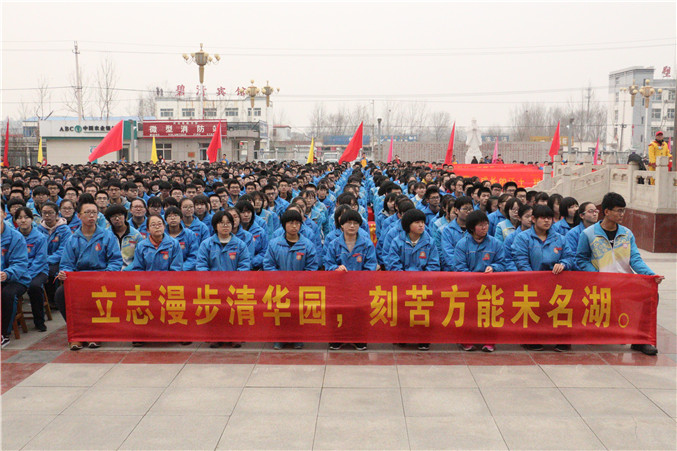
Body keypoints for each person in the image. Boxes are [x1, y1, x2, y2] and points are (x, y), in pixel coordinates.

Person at [576, 192, 664, 355]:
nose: (621, 214)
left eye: (623, 211)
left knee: (651, 296)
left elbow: (635, 259)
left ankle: (641, 340)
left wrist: (651, 275)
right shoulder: (588, 234)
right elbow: (580, 259)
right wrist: (596, 274)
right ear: (607, 211)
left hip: (625, 283)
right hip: (600, 285)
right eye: (618, 210)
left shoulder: (627, 234)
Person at [56, 195, 123, 351]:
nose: (92, 216)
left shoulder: (107, 236)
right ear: (79, 216)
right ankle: (78, 333)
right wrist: (65, 273)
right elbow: (66, 264)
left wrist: (105, 275)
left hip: (101, 278)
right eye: (87, 212)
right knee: (60, 294)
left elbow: (115, 261)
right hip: (79, 280)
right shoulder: (73, 239)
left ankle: (95, 333)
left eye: (94, 212)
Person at [512, 205, 572, 352]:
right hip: (532, 283)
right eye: (543, 218)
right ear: (533, 219)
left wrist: (563, 264)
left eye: (549, 218)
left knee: (559, 310)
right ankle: (532, 338)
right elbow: (521, 262)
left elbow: (570, 257)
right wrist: (535, 279)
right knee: (533, 310)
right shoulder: (523, 238)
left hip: (556, 283)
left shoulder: (560, 239)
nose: (547, 221)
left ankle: (560, 339)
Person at [384, 208, 440, 351]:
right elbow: (393, 264)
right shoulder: (397, 242)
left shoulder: (429, 242)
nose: (421, 225)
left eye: (422, 222)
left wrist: (422, 278)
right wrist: (405, 278)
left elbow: (433, 265)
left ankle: (423, 338)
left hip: (423, 284)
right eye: (417, 222)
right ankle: (403, 336)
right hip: (403, 284)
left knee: (422, 311)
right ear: (408, 225)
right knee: (403, 311)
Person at [263, 209, 319, 350]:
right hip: (279, 287)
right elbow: (268, 265)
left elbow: (312, 266)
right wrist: (280, 279)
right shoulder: (274, 244)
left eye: (297, 223)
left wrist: (300, 280)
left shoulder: (307, 244)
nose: (294, 226)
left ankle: (297, 337)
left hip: (300, 287)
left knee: (298, 312)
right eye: (291, 223)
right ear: (284, 225)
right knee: (280, 312)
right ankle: (279, 338)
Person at [453, 210, 505, 352]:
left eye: (486, 224)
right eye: (480, 225)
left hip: (490, 286)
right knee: (469, 313)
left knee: (489, 313)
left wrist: (493, 268)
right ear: (471, 228)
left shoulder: (496, 243)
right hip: (469, 286)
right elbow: (459, 267)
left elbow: (503, 263)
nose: (484, 228)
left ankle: (489, 340)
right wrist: (473, 278)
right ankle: (466, 339)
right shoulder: (462, 245)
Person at [324, 209, 377, 351]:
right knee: (338, 312)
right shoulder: (334, 244)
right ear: (341, 225)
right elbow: (328, 264)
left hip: (360, 286)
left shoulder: (366, 244)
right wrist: (336, 268)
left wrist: (361, 278)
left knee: (359, 312)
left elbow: (371, 265)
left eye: (355, 223)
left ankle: (359, 338)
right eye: (349, 223)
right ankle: (336, 338)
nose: (352, 226)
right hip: (339, 285)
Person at [14, 207, 49, 332]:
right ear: (15, 220)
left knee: (34, 286)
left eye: (26, 217)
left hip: (38, 271)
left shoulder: (40, 237)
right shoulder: (13, 237)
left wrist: (27, 275)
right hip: (18, 271)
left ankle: (39, 320)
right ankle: (14, 320)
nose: (23, 220)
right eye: (19, 218)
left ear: (32, 219)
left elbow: (40, 260)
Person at [1, 204, 30, 347]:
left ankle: (3, 333)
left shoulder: (15, 237)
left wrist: (7, 274)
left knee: (6, 294)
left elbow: (20, 264)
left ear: (4, 215)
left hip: (16, 279)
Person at [37, 202, 71, 308]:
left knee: (50, 271)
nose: (47, 216)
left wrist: (48, 259)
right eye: (44, 213)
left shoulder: (65, 230)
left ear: (57, 214)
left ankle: (53, 300)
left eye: (50, 213)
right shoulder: (38, 230)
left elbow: (64, 250)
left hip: (59, 260)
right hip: (42, 260)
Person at [562, 202, 599, 271]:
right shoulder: (572, 234)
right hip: (581, 273)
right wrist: (590, 271)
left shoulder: (601, 231)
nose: (594, 214)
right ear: (582, 215)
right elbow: (572, 258)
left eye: (596, 211)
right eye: (591, 211)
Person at [105, 204, 143, 270]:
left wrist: (127, 270)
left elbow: (139, 257)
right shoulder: (105, 235)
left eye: (120, 215)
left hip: (131, 271)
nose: (117, 218)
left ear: (125, 217)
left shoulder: (136, 235)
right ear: (109, 219)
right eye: (113, 216)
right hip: (110, 271)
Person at [164, 206, 198, 271]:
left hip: (186, 272)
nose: (173, 218)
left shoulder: (190, 234)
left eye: (175, 215)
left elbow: (194, 256)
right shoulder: (161, 235)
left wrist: (180, 270)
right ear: (165, 220)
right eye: (169, 216)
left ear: (181, 218)